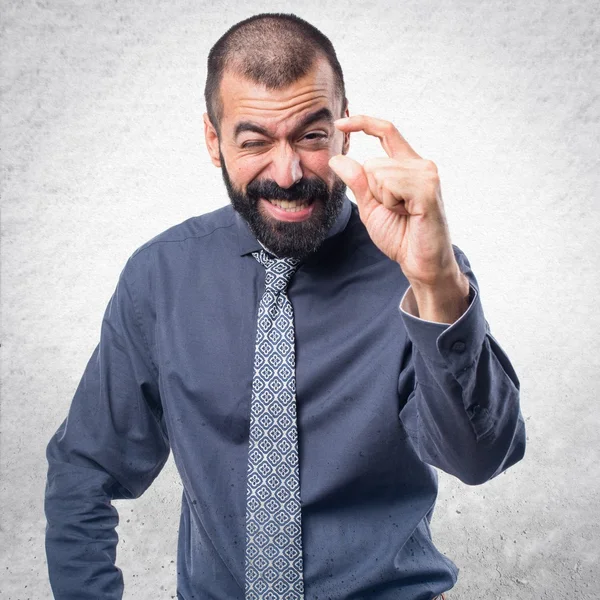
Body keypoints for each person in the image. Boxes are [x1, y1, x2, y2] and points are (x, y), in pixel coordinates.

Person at [44, 12, 526, 600]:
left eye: (312, 136)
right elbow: (85, 470)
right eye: (255, 141)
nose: (288, 172)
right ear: (213, 140)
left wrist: (436, 281)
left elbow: (480, 458)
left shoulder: (422, 274)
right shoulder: (159, 278)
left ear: (344, 132)